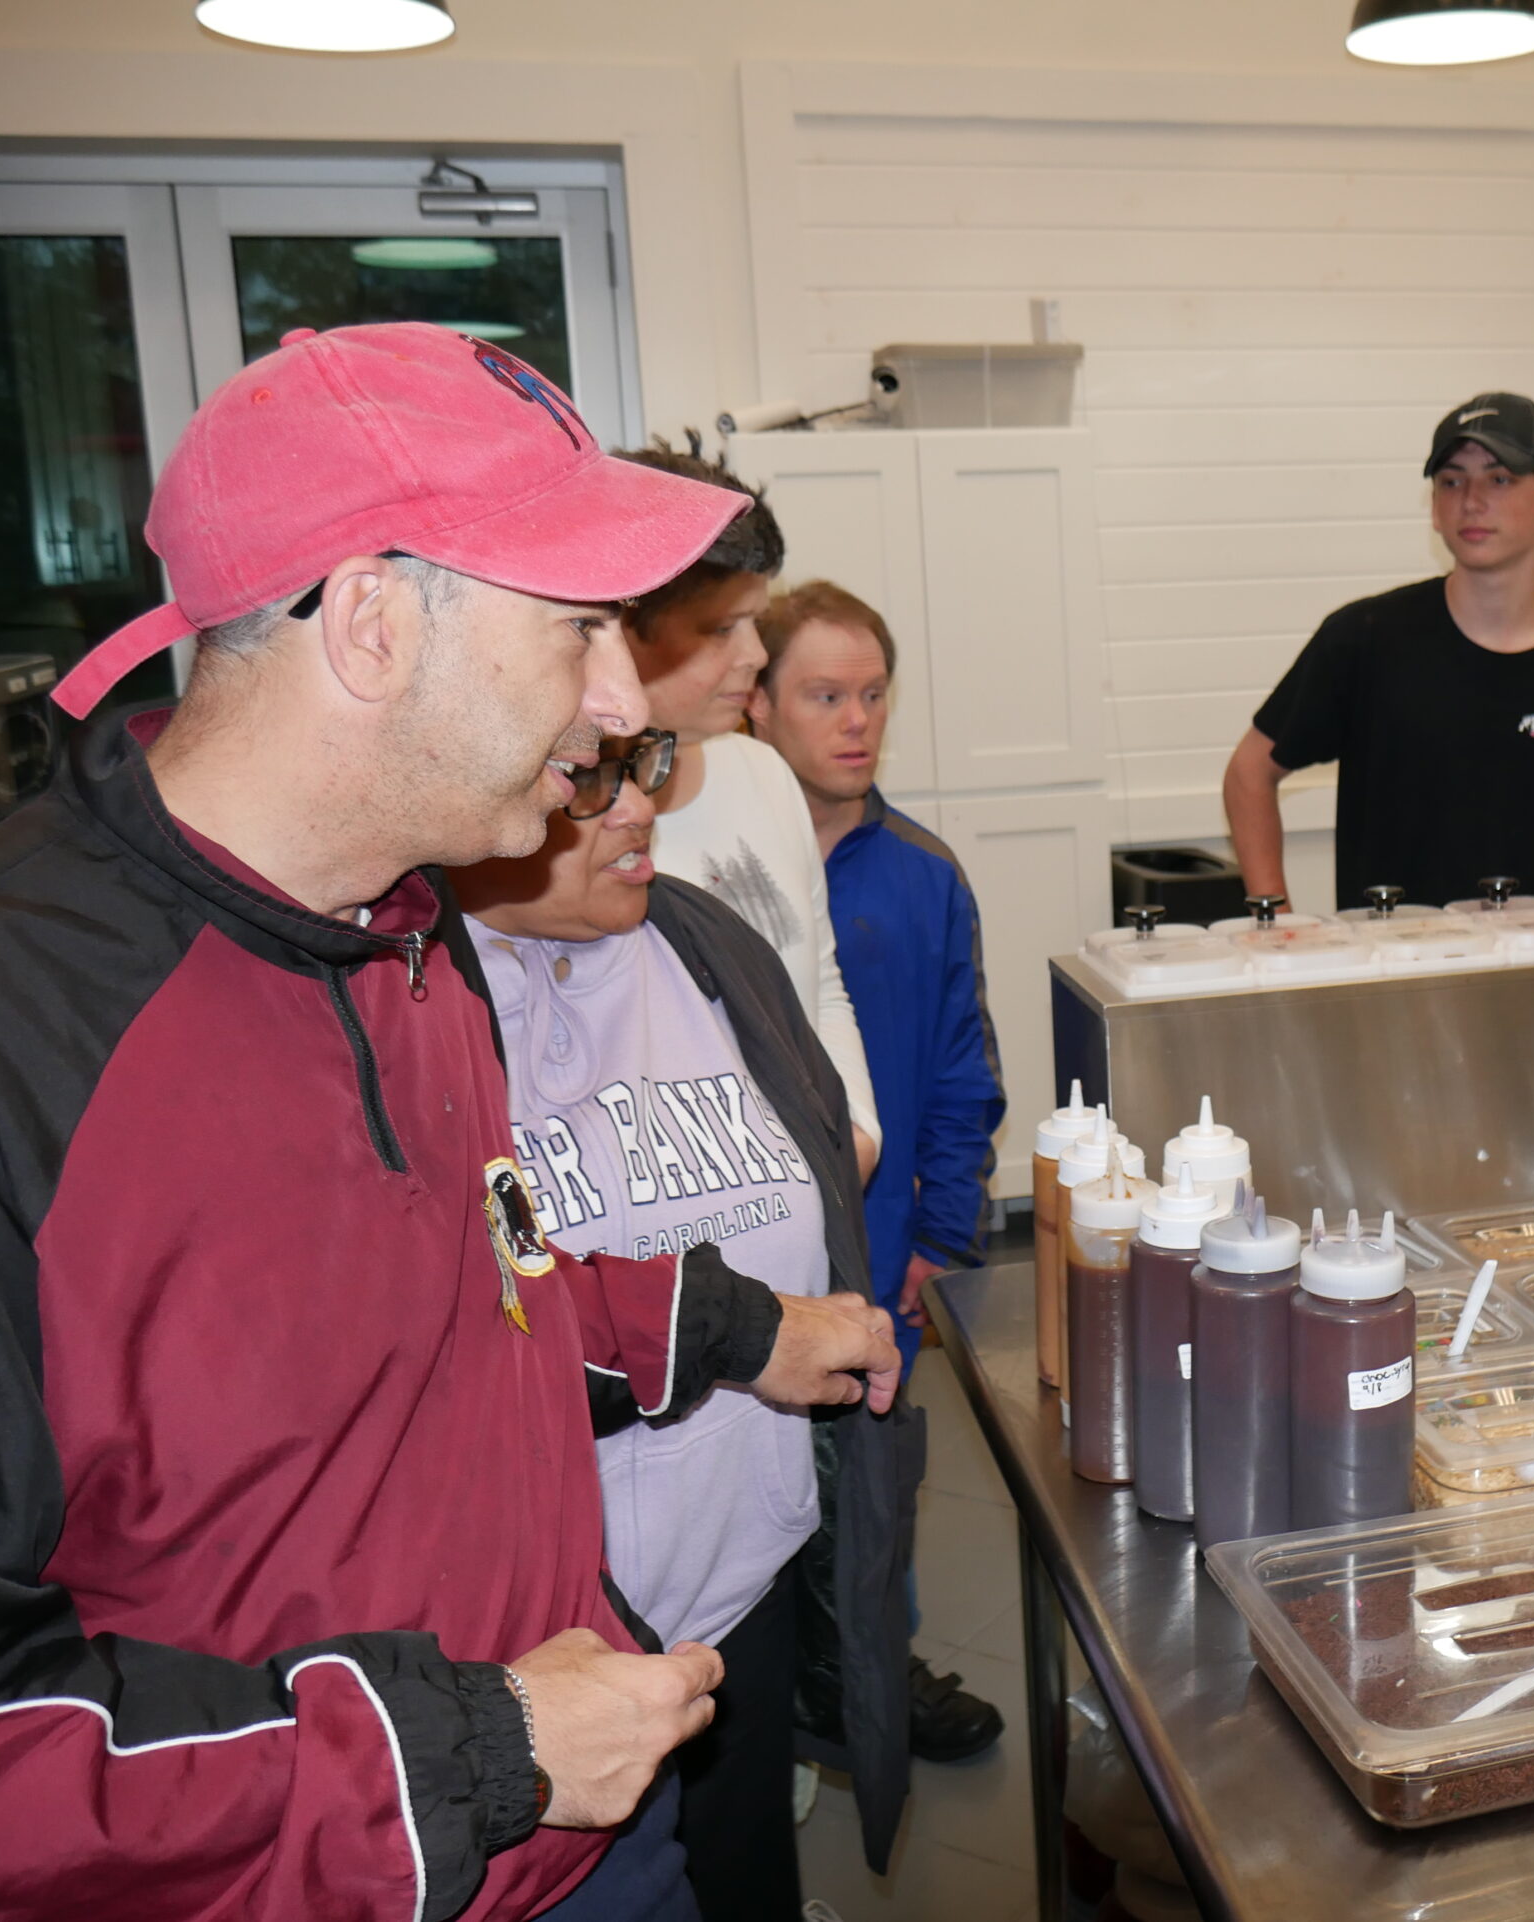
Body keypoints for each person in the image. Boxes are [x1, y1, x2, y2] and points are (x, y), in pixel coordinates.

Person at [0, 321, 901, 1922]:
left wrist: (723, 1323)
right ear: (369, 621)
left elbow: (466, 1294)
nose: (623, 695)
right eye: (578, 627)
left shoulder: (406, 933)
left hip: (580, 1838)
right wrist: (481, 1744)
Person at [448, 734, 919, 1921]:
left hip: (738, 1588)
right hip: (551, 1649)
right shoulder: (416, 1002)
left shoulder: (702, 938)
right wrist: (740, 1328)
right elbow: (467, 1322)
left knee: (749, 1878)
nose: (639, 805)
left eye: (645, 766)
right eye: (590, 781)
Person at [751, 579, 1009, 1766]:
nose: (854, 720)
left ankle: (876, 1685)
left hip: (882, 1255)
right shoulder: (701, 872)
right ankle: (772, 1708)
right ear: (758, 706)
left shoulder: (922, 874)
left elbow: (963, 1074)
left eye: (870, 696)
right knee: (760, 1508)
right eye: (823, 695)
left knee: (877, 1491)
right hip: (749, 1268)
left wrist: (936, 1240)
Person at [1222, 392, 1534, 931]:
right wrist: (1276, 928)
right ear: (1434, 509)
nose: (1472, 500)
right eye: (1452, 481)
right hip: (1380, 986)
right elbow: (1249, 774)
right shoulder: (1366, 640)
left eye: (1499, 479)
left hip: (1527, 991)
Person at [614, 441, 881, 1182]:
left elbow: (818, 981)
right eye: (720, 630)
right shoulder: (570, 826)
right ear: (623, 624)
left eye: (755, 624)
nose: (757, 656)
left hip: (816, 1193)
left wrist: (856, 1133)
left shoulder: (763, 772)